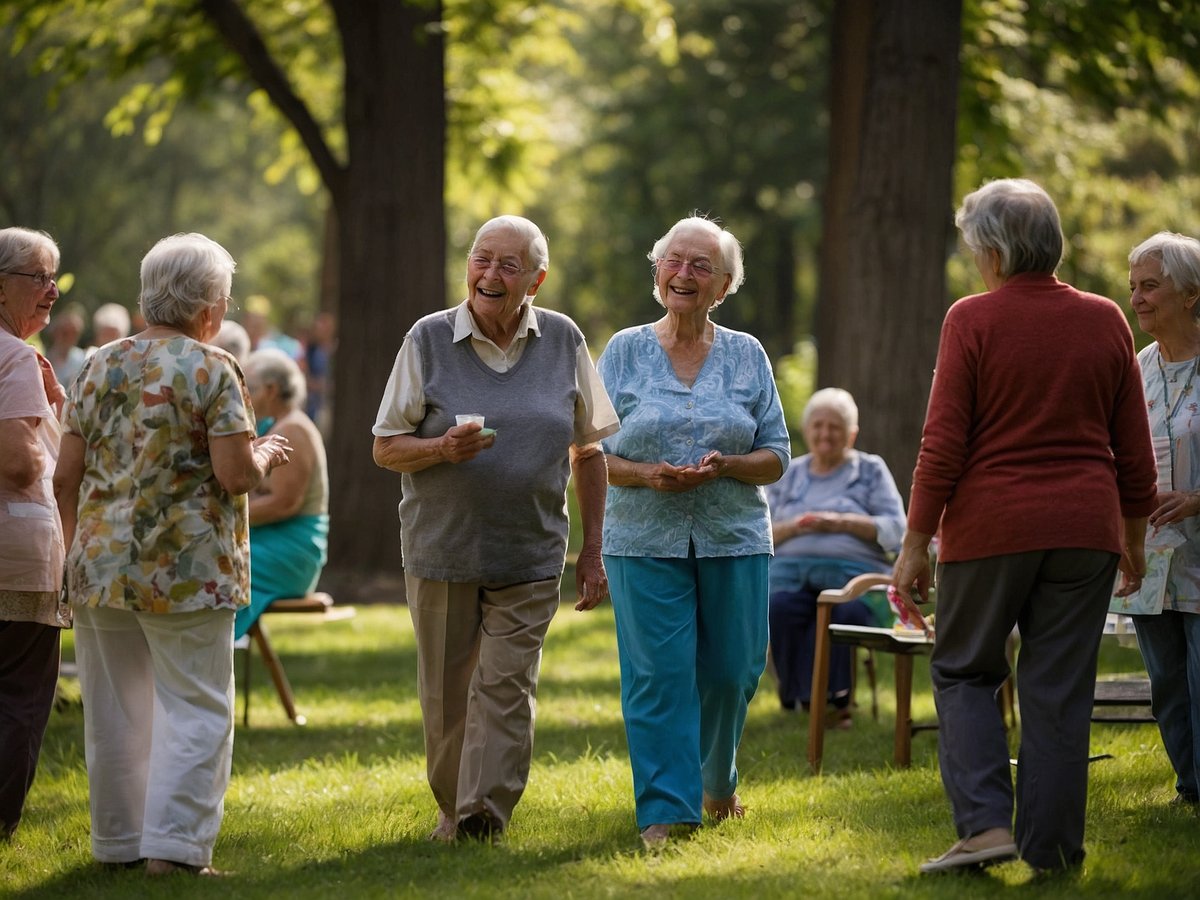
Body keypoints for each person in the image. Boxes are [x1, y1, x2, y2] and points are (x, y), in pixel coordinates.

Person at [891, 179, 1157, 875]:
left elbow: (943, 442)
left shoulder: (972, 319)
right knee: (1059, 690)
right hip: (1087, 527)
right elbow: (1134, 446)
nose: (976, 260)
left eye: (977, 247)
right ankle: (1054, 851)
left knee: (964, 670)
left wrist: (915, 543)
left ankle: (983, 827)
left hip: (993, 526)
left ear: (997, 250)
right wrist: (1131, 539)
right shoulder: (1107, 320)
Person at [372, 214, 618, 843]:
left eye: (510, 265)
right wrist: (438, 451)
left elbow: (588, 451)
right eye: (483, 259)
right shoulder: (427, 339)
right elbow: (385, 447)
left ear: (536, 278)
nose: (491, 274)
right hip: (441, 549)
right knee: (449, 698)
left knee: (505, 687)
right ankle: (453, 809)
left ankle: (485, 813)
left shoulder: (563, 340)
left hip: (531, 550)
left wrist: (594, 551)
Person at [53, 233, 292, 875]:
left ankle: (118, 845)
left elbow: (63, 476)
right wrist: (265, 453)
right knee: (195, 706)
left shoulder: (96, 364)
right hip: (186, 571)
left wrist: (74, 551)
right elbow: (237, 474)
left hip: (98, 565)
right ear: (210, 304)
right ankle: (177, 852)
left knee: (114, 712)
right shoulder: (213, 367)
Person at [597, 215, 791, 847]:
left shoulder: (747, 354)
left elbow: (777, 453)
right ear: (657, 272)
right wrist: (644, 474)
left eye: (701, 265)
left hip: (733, 533)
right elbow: (593, 452)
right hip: (641, 536)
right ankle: (666, 809)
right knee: (659, 674)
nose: (684, 273)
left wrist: (729, 467)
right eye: (674, 261)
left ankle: (717, 780)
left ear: (724, 284)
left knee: (734, 670)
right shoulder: (623, 350)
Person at [766, 387, 905, 725]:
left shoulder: (870, 470)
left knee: (842, 612)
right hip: (789, 576)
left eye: (835, 426)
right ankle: (796, 694)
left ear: (852, 434)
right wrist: (797, 527)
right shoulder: (788, 473)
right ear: (805, 428)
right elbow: (759, 530)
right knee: (779, 608)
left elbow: (897, 530)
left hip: (854, 580)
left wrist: (842, 523)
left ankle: (832, 700)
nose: (825, 434)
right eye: (818, 425)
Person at [1125, 231, 1200, 806]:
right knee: (1167, 684)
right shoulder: (1135, 370)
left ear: (1192, 294)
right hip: (1149, 555)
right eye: (1133, 288)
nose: (1138, 299)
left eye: (1151, 286)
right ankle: (1189, 786)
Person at [0, 227, 70, 839]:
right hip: (15, 553)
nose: (51, 291)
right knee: (19, 693)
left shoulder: (26, 360)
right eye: (38, 277)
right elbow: (21, 462)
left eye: (55, 277)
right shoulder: (13, 356)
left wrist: (53, 403)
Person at [236, 347, 329, 641]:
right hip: (273, 544)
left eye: (249, 388)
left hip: (291, 553)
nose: (243, 396)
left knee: (217, 565)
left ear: (271, 389)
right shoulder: (273, 426)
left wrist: (226, 517)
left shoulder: (293, 430)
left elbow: (284, 504)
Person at [43, 306, 87, 388]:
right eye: (65, 333)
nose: (69, 337)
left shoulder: (83, 358)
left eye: (74, 333)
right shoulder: (44, 356)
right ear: (56, 332)